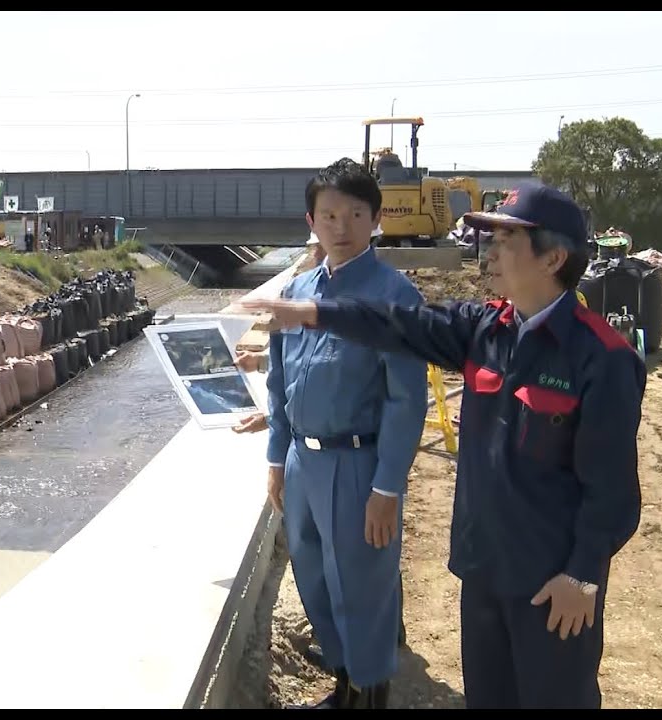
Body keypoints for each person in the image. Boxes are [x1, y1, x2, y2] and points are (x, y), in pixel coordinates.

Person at [242, 180, 645, 709]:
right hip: (483, 567)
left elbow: (612, 492)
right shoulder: (485, 330)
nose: (489, 253)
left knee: (554, 697)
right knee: (489, 696)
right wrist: (309, 311)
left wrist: (583, 575)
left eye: (506, 242)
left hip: (551, 582)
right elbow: (399, 324)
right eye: (490, 239)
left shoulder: (601, 357)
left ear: (553, 259)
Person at [262, 158, 427, 709]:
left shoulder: (393, 296)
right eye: (329, 214)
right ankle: (342, 681)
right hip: (305, 462)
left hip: (358, 466)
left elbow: (407, 401)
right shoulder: (298, 291)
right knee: (314, 578)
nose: (341, 225)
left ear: (376, 219)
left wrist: (388, 489)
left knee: (361, 586)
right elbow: (279, 378)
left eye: (355, 213)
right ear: (311, 220)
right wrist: (276, 456)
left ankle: (368, 692)